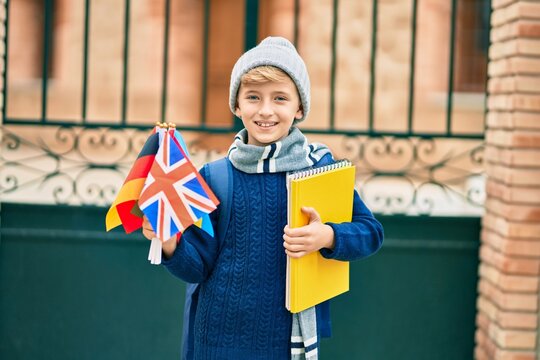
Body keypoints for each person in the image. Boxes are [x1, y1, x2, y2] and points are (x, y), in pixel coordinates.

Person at [142, 36, 383, 360]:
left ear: (299, 107)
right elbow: (197, 267)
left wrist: (327, 235)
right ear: (237, 105)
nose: (265, 110)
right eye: (253, 97)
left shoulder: (321, 169)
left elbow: (371, 233)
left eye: (280, 98)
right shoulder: (215, 176)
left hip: (284, 343)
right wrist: (170, 243)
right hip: (216, 343)